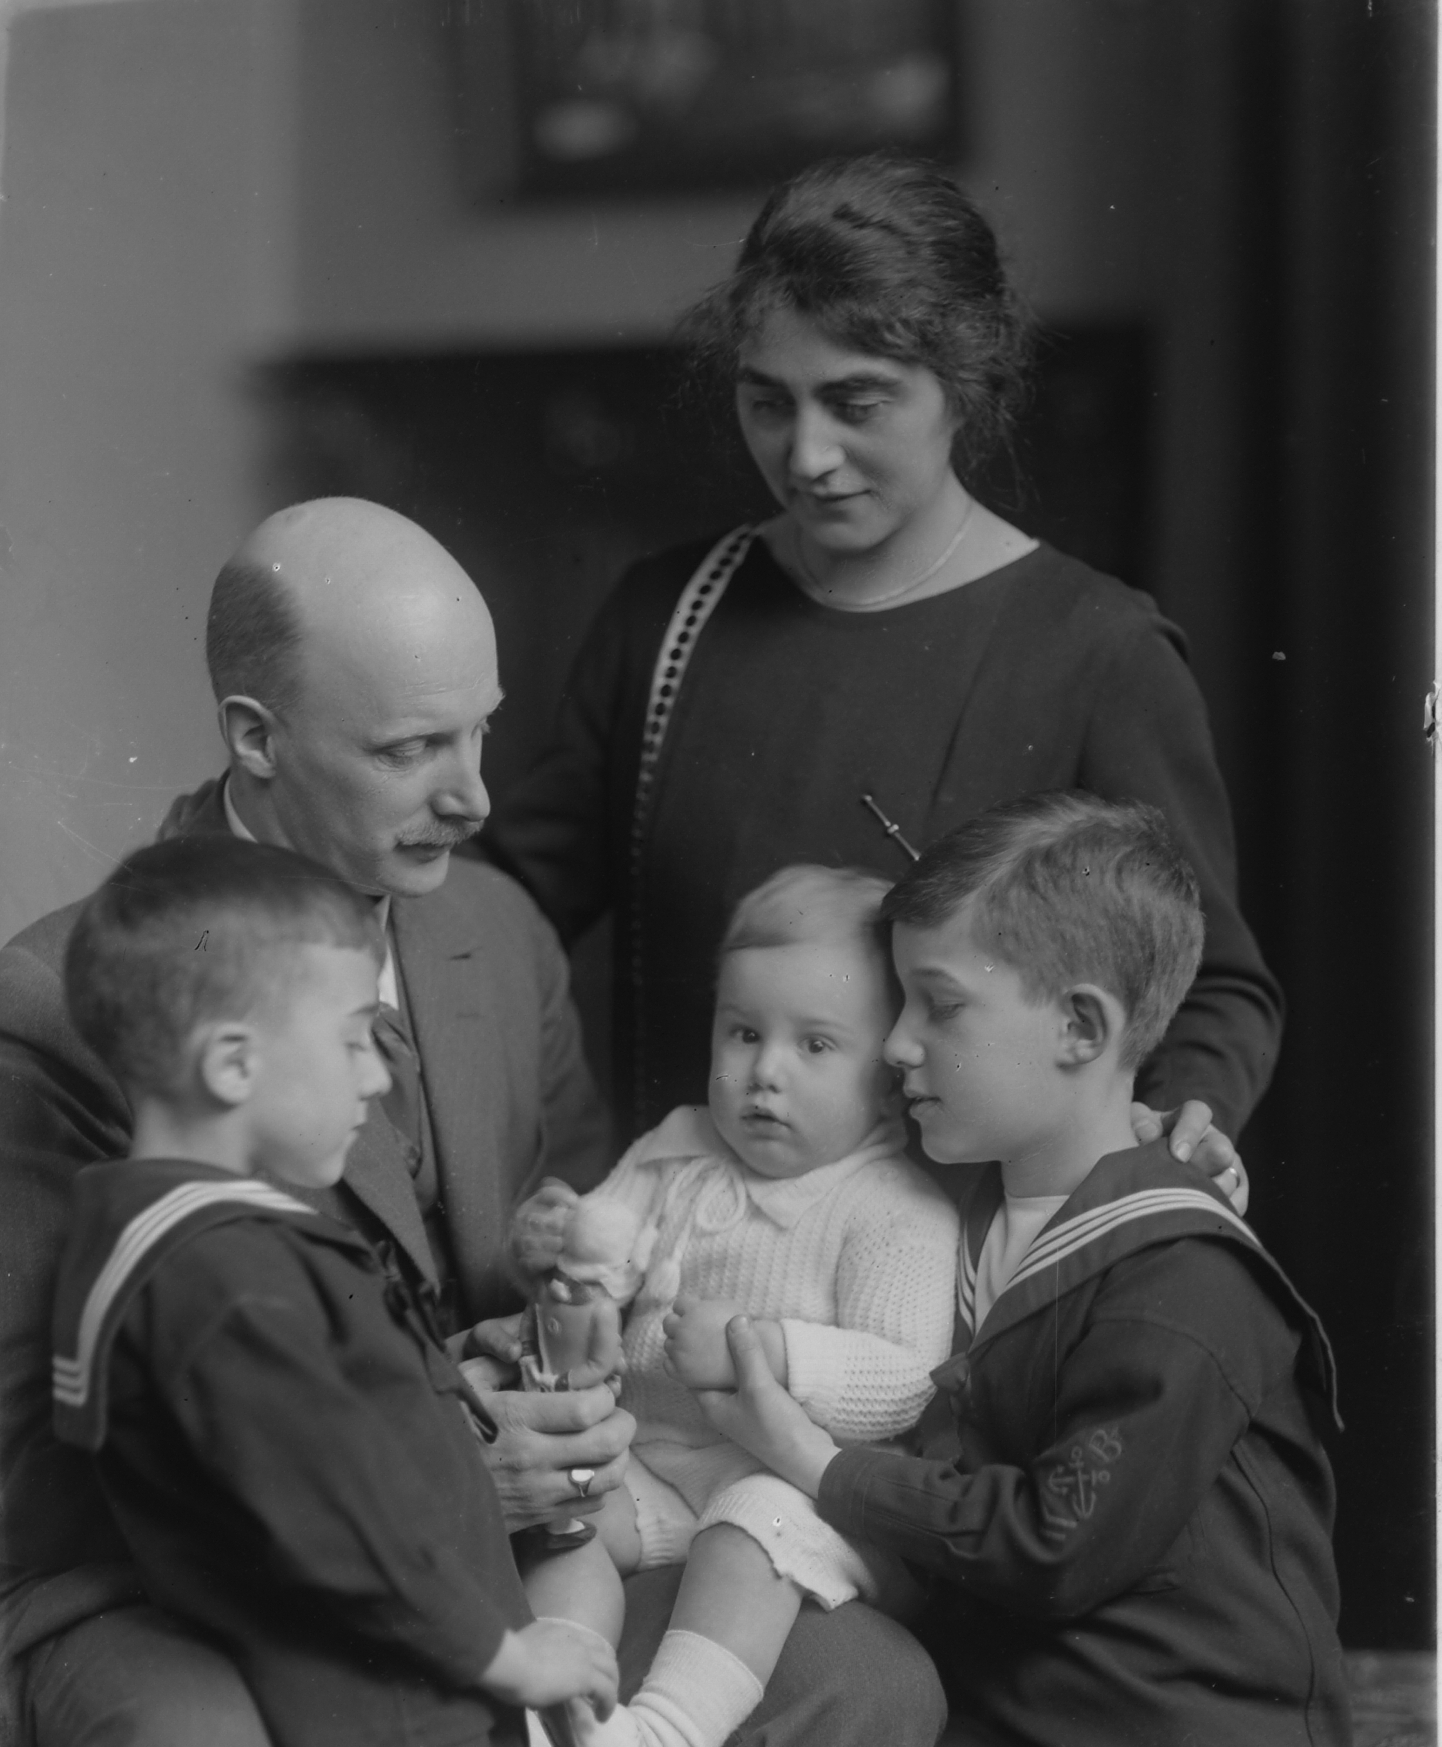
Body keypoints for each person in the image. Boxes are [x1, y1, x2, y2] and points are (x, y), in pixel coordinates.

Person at [0, 496, 947, 1747]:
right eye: (410, 749)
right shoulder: (64, 1007)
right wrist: (435, 1471)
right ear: (254, 738)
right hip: (191, 1569)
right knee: (211, 1742)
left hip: (499, 1531)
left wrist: (569, 1341)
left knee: (860, 1677)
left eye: (480, 732)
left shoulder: (495, 936)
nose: (477, 795)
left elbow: (554, 1257)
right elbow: (18, 1473)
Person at [481, 152, 1276, 1195]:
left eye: (855, 403)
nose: (806, 454)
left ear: (965, 382)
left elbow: (1212, 985)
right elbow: (503, 907)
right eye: (768, 402)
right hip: (681, 1252)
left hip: (967, 1266)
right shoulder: (665, 617)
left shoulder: (1098, 650)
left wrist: (1178, 1124)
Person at [691, 794, 1350, 1747]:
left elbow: (1054, 1545)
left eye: (937, 1005)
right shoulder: (949, 1201)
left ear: (1081, 1028)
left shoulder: (1182, 1278)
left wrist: (813, 1461)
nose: (896, 1044)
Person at [51, 833, 618, 1747]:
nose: (376, 1076)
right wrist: (514, 1657)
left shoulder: (142, 1233)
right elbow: (346, 1523)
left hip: (353, 1717)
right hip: (410, 1737)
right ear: (233, 1065)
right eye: (357, 1039)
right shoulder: (235, 1281)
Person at [498, 867, 958, 1747]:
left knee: (753, 1523)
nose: (764, 1074)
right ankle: (555, 1720)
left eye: (815, 1045)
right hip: (658, 1463)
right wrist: (562, 1251)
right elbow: (604, 1247)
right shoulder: (676, 1150)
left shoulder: (893, 1208)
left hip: (804, 1492)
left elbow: (903, 1379)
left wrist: (765, 1347)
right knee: (573, 1507)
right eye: (743, 1033)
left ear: (889, 1069)